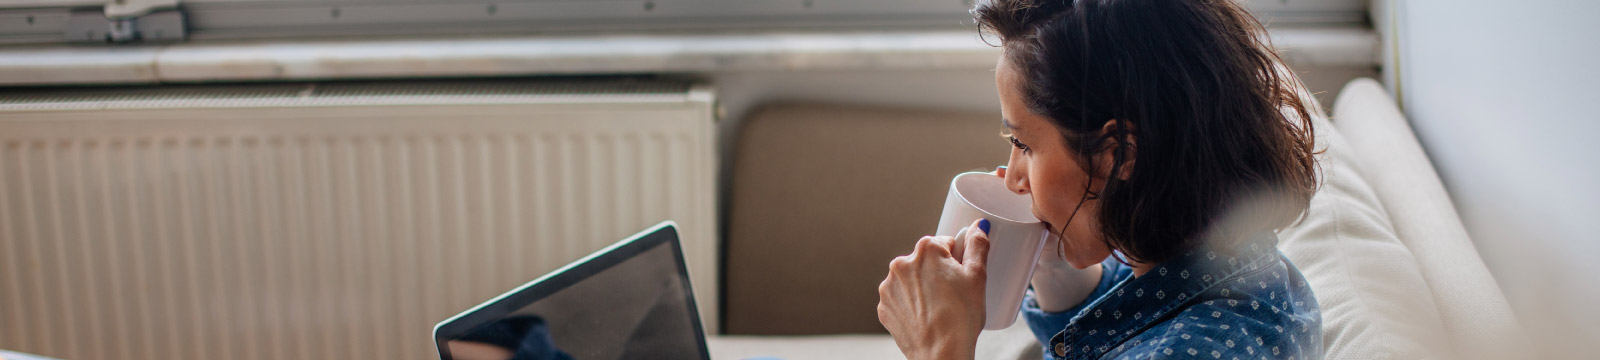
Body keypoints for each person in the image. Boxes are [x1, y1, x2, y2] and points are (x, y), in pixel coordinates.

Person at [875, 0, 1323, 359]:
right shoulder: (1235, 273)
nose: (1013, 178)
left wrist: (939, 348)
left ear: (1119, 154)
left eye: (1024, 145)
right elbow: (1137, 319)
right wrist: (1055, 271)